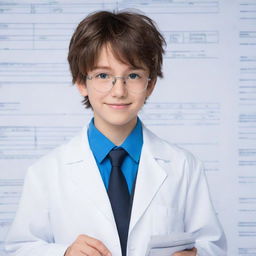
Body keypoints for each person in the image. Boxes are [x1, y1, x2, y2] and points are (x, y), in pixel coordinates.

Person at [5, 10, 227, 256]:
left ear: (150, 84)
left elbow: (213, 245)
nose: (119, 91)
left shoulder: (184, 166)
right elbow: (20, 248)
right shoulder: (45, 172)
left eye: (133, 75)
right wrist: (64, 253)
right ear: (81, 82)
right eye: (103, 75)